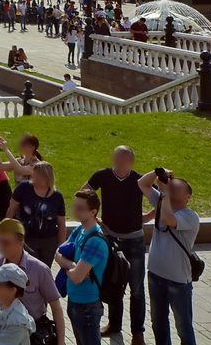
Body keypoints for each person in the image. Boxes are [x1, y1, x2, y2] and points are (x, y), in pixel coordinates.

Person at [85, 145, 147, 343]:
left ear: (131, 161)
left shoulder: (139, 179)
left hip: (135, 240)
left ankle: (138, 332)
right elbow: (84, 195)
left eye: (122, 158)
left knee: (136, 289)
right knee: (114, 284)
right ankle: (114, 324)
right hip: (111, 239)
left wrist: (146, 217)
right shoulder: (102, 175)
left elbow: (160, 199)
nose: (118, 161)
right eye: (116, 157)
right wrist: (96, 219)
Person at [0, 218, 65, 345]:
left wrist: (61, 341)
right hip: (3, 330)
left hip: (33, 333)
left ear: (21, 243)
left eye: (6, 243)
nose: (1, 247)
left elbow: (56, 306)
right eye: (0, 242)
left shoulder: (39, 269)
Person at [139, 168, 199, 345]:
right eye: (171, 185)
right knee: (158, 323)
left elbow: (167, 219)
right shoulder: (162, 200)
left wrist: (164, 192)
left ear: (188, 196)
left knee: (183, 326)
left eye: (177, 187)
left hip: (178, 281)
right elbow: (142, 183)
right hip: (155, 275)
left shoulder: (190, 216)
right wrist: (159, 174)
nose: (172, 188)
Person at [56, 190, 109, 345]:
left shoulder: (95, 241)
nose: (74, 211)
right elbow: (57, 253)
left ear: (93, 212)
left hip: (87, 307)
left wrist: (69, 268)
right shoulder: (80, 230)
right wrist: (72, 266)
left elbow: (76, 277)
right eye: (75, 206)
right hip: (75, 301)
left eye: (80, 208)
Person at [6, 161, 66, 266]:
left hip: (49, 241)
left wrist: (61, 246)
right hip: (28, 238)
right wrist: (6, 230)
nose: (35, 179)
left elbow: (61, 223)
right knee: (30, 268)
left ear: (48, 177)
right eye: (34, 175)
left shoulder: (57, 196)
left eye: (39, 177)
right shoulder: (24, 188)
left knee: (45, 269)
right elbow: (12, 209)